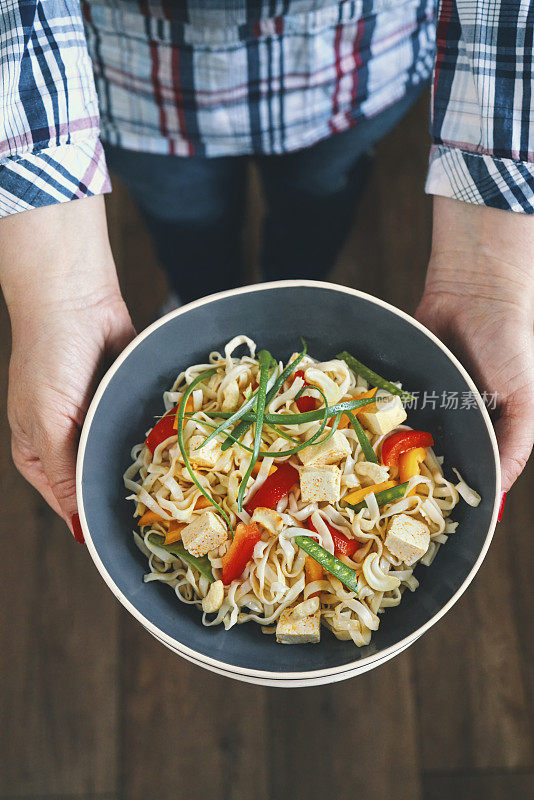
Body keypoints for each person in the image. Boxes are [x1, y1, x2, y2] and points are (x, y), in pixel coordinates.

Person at [1, 0, 533, 540]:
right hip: (135, 76)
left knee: (317, 206)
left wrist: (489, 278)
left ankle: (291, 289)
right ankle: (200, 294)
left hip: (358, 60)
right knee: (186, 227)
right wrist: (58, 298)